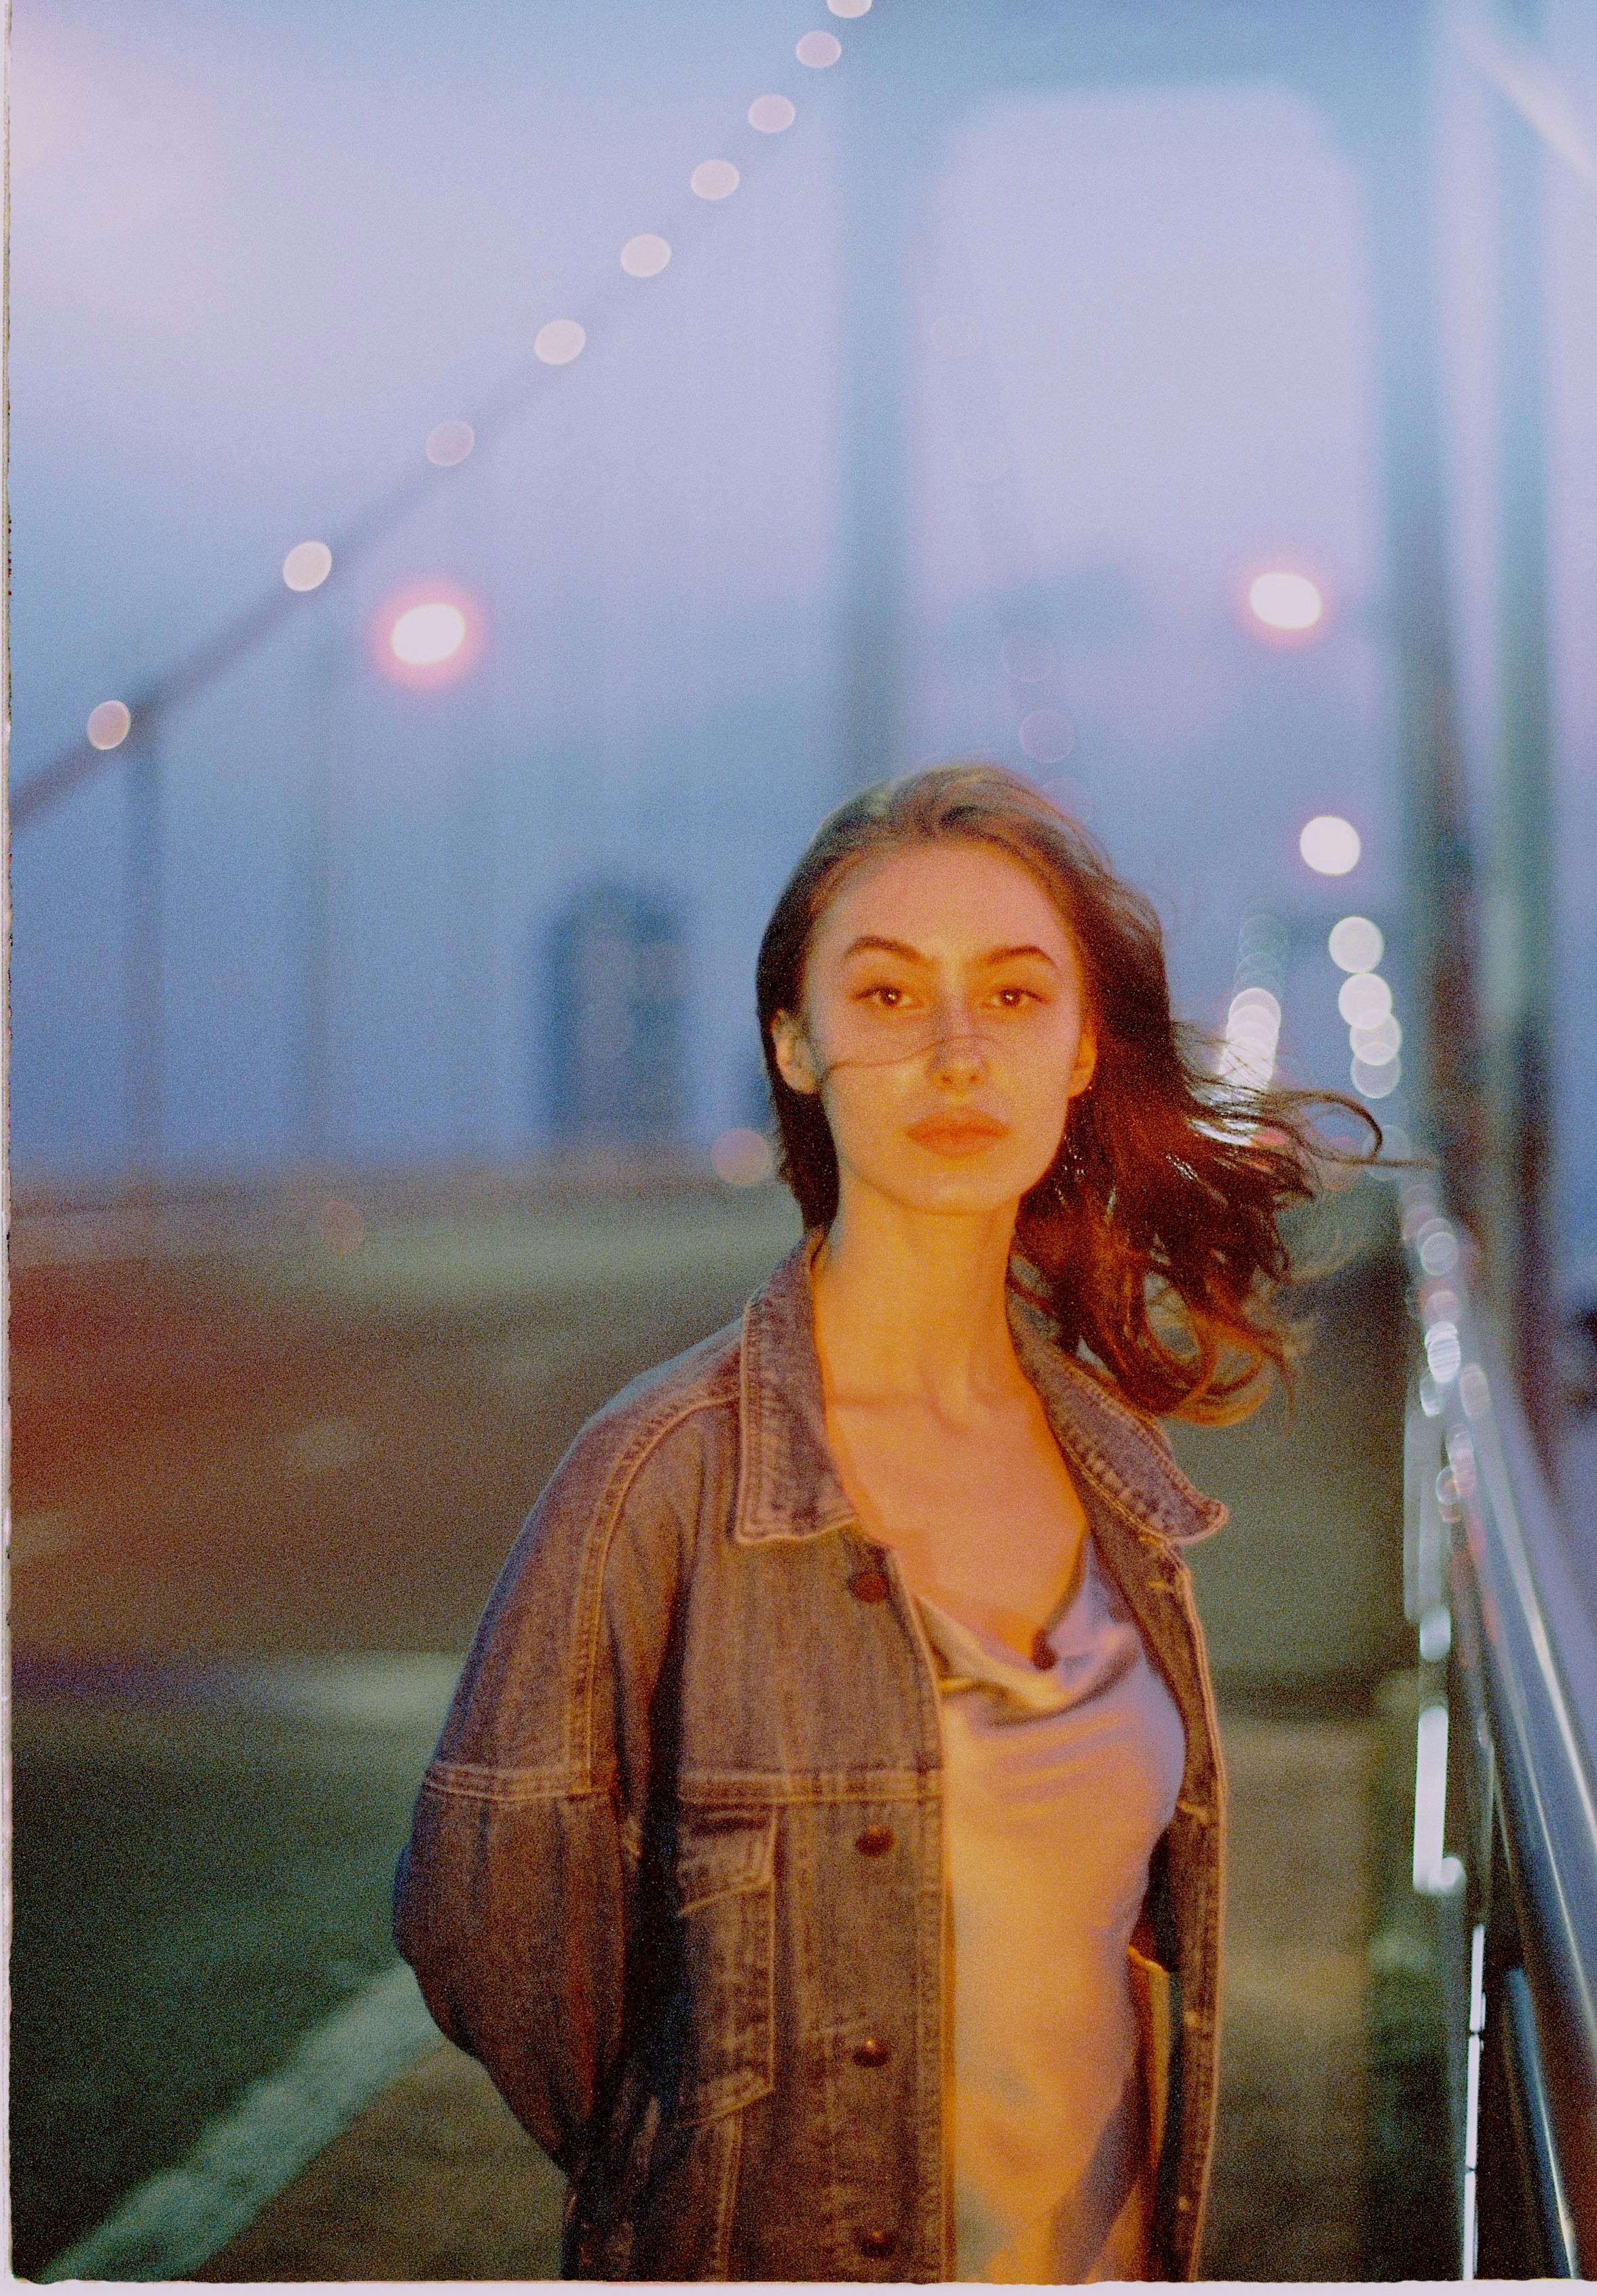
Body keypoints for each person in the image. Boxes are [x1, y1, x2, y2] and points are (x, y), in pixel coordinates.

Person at [393, 762, 1373, 2283]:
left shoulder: (1115, 1473)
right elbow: (493, 1934)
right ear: (795, 1044)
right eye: (887, 995)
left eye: (1010, 994)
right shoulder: (657, 1474)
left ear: (1078, 1047)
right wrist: (705, 2172)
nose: (955, 1055)